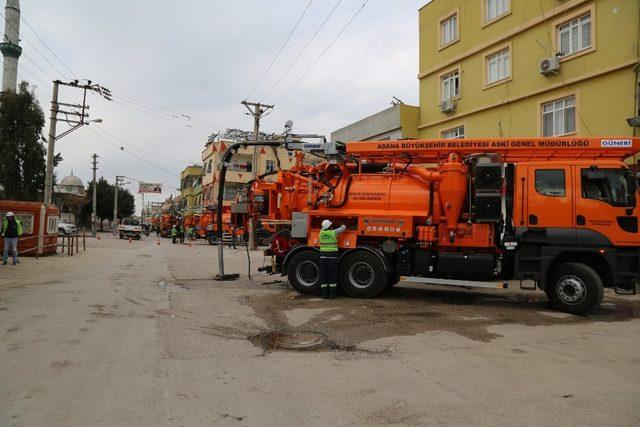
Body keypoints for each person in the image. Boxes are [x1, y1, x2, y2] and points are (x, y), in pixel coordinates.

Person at [318, 219, 346, 299]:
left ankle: (324, 295)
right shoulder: (333, 232)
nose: (332, 226)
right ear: (329, 227)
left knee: (323, 276)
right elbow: (343, 228)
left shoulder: (321, 233)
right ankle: (332, 295)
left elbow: (323, 228)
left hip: (323, 258)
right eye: (331, 225)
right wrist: (342, 223)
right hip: (332, 258)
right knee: (332, 276)